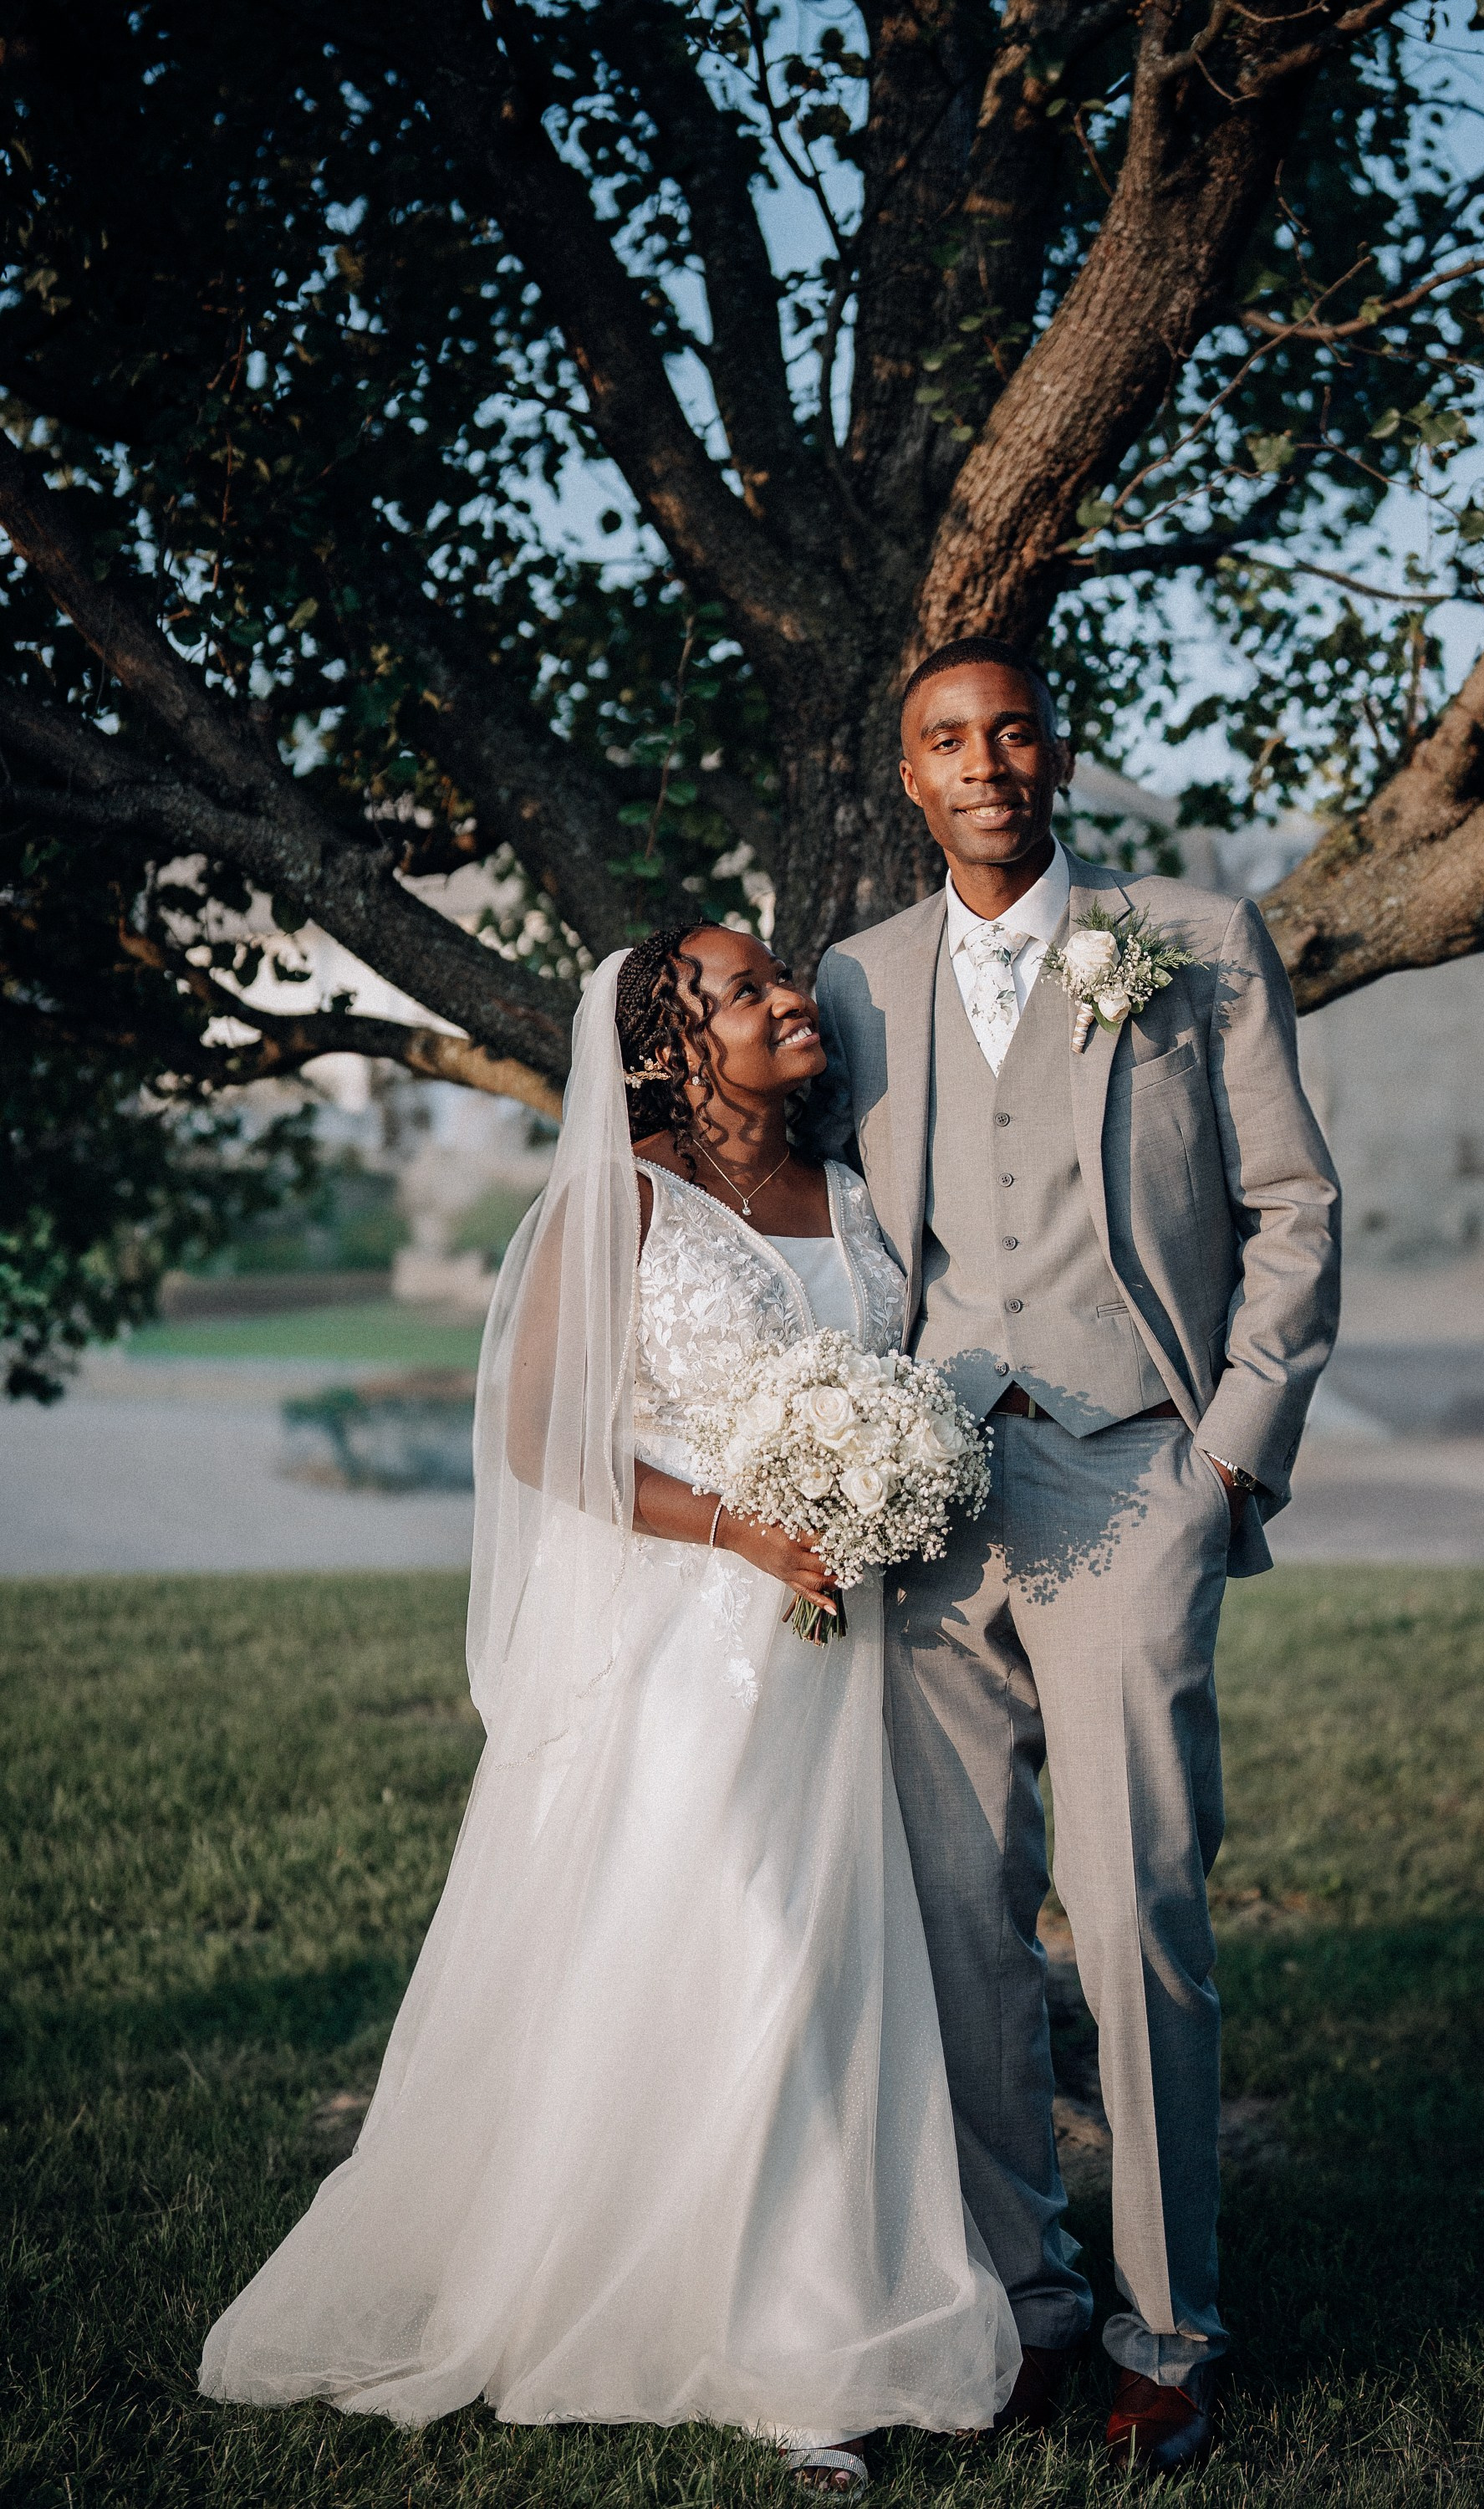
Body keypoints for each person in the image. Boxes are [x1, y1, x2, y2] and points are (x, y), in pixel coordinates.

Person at [200, 926, 1020, 2496]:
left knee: (829, 1962)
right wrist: (750, 1530)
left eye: (788, 979)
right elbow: (542, 1442)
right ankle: (748, 2336)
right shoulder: (620, 1197)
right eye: (745, 990)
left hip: (836, 1652)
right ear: (666, 1044)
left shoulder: (851, 1198)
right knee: (740, 1938)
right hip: (682, 1644)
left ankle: (800, 2323)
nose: (791, 1000)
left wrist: (880, 1486)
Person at [807, 636, 1341, 2475]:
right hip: (929, 1502)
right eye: (946, 740)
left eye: (1010, 729)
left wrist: (1226, 1455)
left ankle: (1167, 2329)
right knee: (960, 1925)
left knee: (1134, 1917)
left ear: (1055, 751)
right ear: (909, 775)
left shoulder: (1191, 940)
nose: (984, 762)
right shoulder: (857, 980)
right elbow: (836, 1234)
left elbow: (1293, 1210)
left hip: (1135, 1472)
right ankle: (1023, 2303)